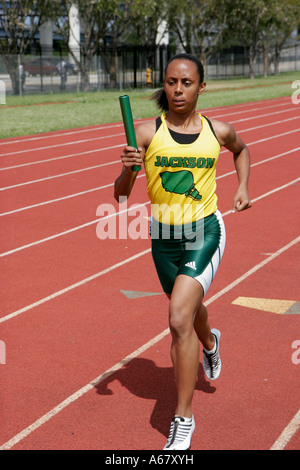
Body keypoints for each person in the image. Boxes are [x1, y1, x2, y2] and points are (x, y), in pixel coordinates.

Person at [114, 53, 251, 450]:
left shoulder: (219, 131)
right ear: (164, 84)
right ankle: (210, 343)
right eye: (172, 82)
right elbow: (121, 196)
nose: (178, 89)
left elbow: (242, 150)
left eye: (187, 83)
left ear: (201, 87)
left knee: (177, 318)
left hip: (205, 231)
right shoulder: (145, 134)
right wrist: (128, 169)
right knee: (188, 310)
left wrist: (242, 188)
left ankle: (183, 418)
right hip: (163, 239)